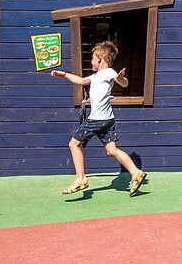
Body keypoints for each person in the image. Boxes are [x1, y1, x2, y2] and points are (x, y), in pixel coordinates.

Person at [51, 40, 148, 196]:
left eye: (92, 58)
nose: (91, 61)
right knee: (111, 150)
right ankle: (136, 172)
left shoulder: (108, 72)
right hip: (107, 119)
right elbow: (81, 81)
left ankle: (80, 179)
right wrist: (63, 74)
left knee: (73, 144)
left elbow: (123, 83)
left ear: (100, 58)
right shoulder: (96, 76)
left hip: (97, 120)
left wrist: (122, 77)